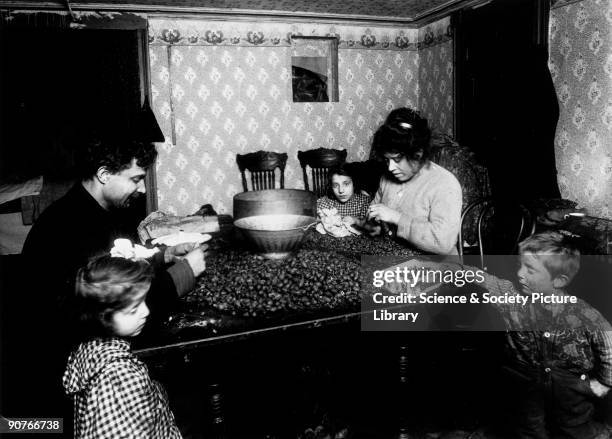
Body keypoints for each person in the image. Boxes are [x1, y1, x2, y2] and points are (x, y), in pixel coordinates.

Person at [19, 138, 205, 421]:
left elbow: (120, 261)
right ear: (104, 174)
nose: (142, 189)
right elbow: (120, 300)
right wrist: (184, 273)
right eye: (136, 179)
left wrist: (163, 257)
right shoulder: (70, 228)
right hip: (61, 372)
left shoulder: (98, 210)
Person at [481, 232, 612, 438]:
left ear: (559, 281)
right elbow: (481, 278)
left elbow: (608, 343)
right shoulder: (512, 298)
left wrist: (605, 381)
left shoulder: (582, 313)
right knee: (529, 428)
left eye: (530, 270)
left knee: (574, 427)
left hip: (570, 389)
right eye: (519, 265)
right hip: (527, 382)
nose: (520, 274)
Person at [63, 255, 182, 438]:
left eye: (143, 301)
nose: (146, 311)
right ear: (103, 316)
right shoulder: (119, 375)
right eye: (133, 309)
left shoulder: (90, 347)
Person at [367, 108, 462, 254]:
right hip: (397, 258)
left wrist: (397, 218)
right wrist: (361, 224)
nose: (391, 167)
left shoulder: (445, 183)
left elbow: (443, 243)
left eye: (397, 159)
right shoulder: (387, 178)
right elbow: (375, 219)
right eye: (387, 160)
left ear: (418, 154)